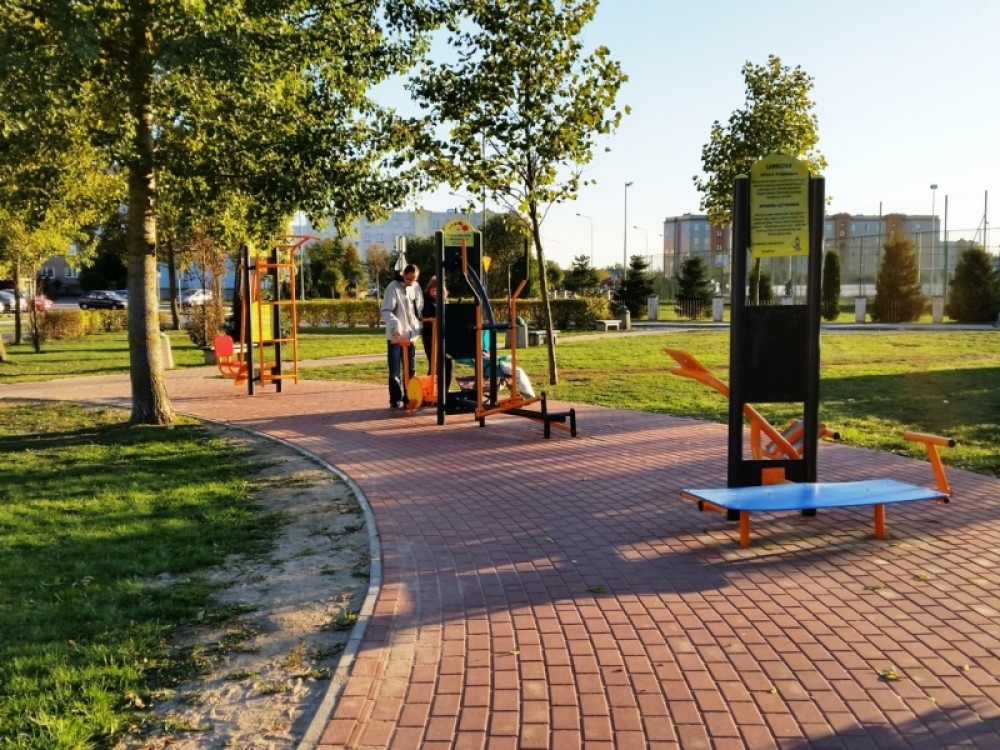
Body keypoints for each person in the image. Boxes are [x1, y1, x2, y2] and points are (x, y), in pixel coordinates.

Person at [381, 264, 423, 410]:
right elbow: (386, 310)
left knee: (410, 370)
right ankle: (395, 400)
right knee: (395, 371)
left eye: (414, 279)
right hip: (396, 336)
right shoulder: (392, 287)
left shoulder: (416, 287)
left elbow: (419, 309)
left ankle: (409, 397)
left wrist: (418, 326)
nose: (411, 281)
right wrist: (395, 325)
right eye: (408, 278)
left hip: (411, 336)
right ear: (403, 275)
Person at [422, 276, 453, 390]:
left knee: (448, 364)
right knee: (434, 364)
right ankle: (431, 390)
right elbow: (427, 317)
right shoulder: (426, 301)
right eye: (432, 290)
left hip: (444, 336)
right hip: (430, 336)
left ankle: (445, 391)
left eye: (437, 290)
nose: (434, 293)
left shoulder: (444, 301)